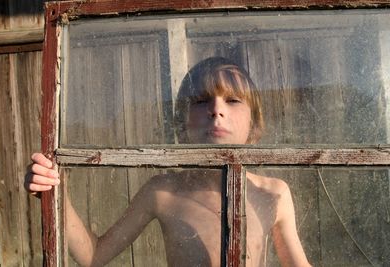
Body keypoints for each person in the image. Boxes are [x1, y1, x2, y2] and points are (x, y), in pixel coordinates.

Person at [25, 57, 311, 267]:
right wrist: (55, 191)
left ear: (255, 124)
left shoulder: (273, 193)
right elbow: (93, 255)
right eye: (201, 100)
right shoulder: (162, 191)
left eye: (233, 100)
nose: (216, 110)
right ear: (182, 123)